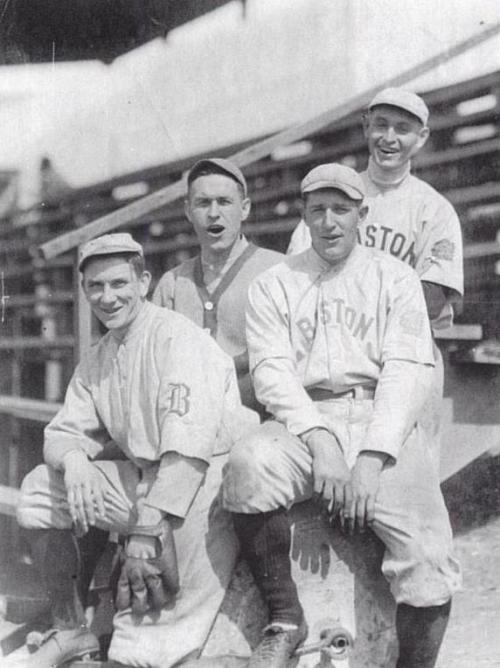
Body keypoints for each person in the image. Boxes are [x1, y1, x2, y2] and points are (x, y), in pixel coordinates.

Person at [223, 164, 462, 668]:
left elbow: (405, 372)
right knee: (248, 464)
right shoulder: (275, 283)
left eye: (342, 209)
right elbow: (271, 372)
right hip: (305, 418)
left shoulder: (393, 277)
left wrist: (372, 459)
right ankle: (286, 616)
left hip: (382, 415)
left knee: (430, 556)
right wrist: (320, 440)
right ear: (304, 217)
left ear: (362, 214)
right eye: (318, 210)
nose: (330, 221)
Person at [8, 233, 257, 668]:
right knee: (39, 489)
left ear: (143, 281)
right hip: (144, 479)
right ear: (84, 291)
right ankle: (70, 630)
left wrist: (146, 528)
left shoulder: (176, 338)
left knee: (151, 642)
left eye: (119, 283)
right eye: (96, 287)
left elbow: (188, 450)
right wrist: (75, 463)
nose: (108, 297)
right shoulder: (100, 355)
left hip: (204, 486)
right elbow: (61, 431)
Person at [287, 89, 464, 467]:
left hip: (408, 358)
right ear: (365, 126)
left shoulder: (434, 208)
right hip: (333, 360)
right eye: (380, 124)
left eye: (402, 129)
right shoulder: (332, 195)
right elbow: (298, 278)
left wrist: (348, 295)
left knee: (406, 476)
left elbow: (431, 297)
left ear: (423, 137)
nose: (389, 138)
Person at [152, 157, 283, 413]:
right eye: (203, 203)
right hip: (186, 416)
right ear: (188, 211)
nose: (213, 213)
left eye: (224, 202)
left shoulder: (278, 271)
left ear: (244, 208)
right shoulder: (172, 283)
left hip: (258, 417)